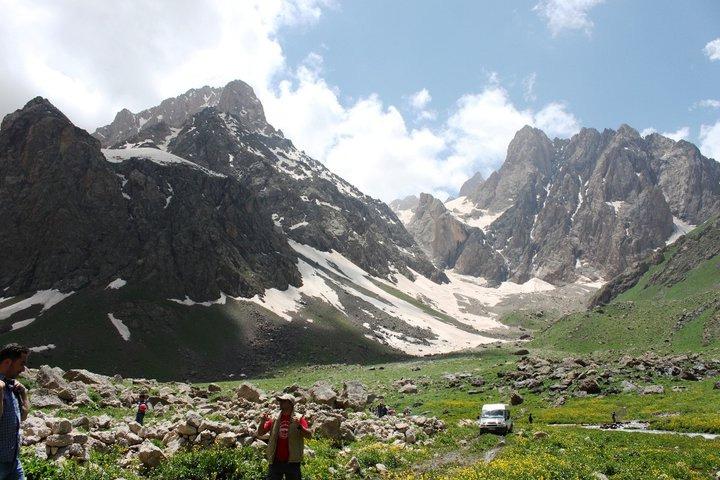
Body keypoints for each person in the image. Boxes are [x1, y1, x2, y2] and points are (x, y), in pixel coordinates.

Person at [257, 394, 312, 480]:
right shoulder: (274, 418)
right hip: (275, 460)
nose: (280, 403)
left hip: (293, 461)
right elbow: (260, 433)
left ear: (291, 404)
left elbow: (309, 435)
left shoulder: (299, 418)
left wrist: (299, 426)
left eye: (283, 401)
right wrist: (262, 421)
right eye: (280, 401)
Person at [0, 343, 30, 480]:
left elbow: (23, 416)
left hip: (13, 460)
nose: (23, 369)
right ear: (7, 362)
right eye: (21, 364)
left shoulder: (13, 385)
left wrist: (24, 394)